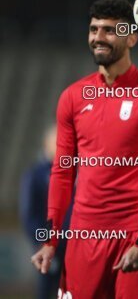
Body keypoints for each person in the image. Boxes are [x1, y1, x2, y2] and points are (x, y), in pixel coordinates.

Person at [30, 0, 138, 298]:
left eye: (110, 30)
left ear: (132, 38)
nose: (99, 37)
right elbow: (62, 173)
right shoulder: (72, 97)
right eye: (94, 29)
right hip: (83, 236)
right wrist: (50, 239)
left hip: (132, 235)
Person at [20, 125, 71, 299]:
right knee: (46, 291)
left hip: (71, 247)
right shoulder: (34, 175)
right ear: (46, 143)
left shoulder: (73, 172)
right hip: (49, 248)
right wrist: (45, 242)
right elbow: (29, 215)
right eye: (58, 141)